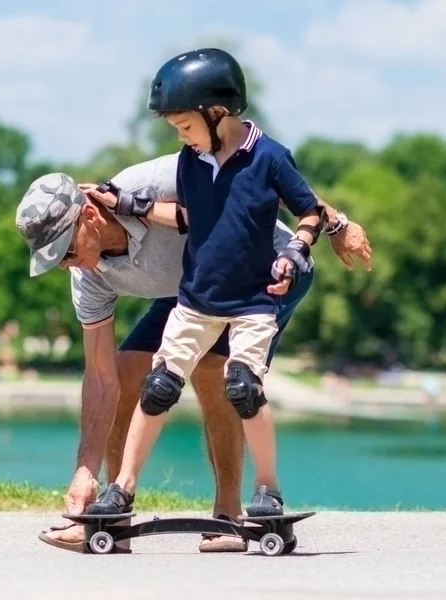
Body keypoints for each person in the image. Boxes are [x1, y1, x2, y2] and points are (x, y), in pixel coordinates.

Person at [15, 145, 371, 554]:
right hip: (192, 290)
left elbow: (261, 176)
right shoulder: (88, 276)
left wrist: (336, 224)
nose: (67, 266)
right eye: (56, 261)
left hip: (264, 268)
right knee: (128, 369)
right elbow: (100, 377)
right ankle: (110, 511)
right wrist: (84, 470)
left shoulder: (155, 183)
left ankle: (227, 513)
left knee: (211, 369)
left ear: (90, 217)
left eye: (67, 252)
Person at [80, 48, 331, 519]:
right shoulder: (191, 161)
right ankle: (123, 488)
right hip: (195, 302)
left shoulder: (271, 158)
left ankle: (267, 489)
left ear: (218, 112)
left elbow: (311, 210)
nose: (181, 137)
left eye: (185, 126)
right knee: (159, 386)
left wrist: (297, 251)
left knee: (242, 386)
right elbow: (185, 217)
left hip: (254, 301)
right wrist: (129, 204)